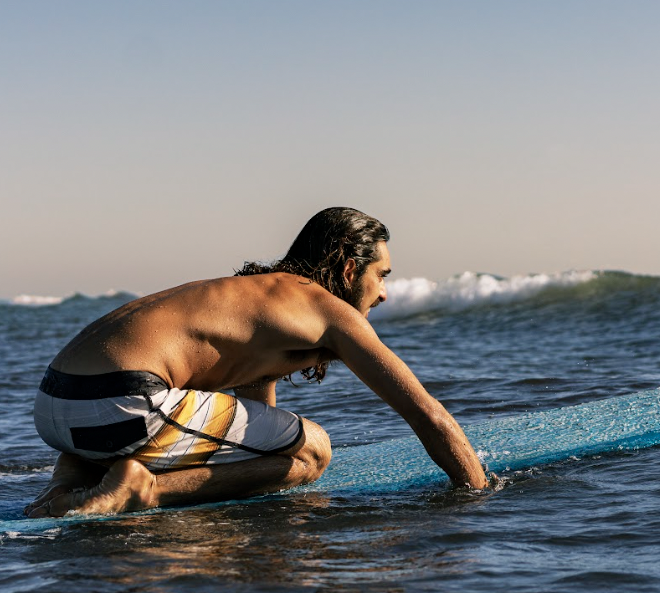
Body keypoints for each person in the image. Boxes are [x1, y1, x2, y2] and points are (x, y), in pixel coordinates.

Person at [24, 207, 487, 517]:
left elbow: (255, 410)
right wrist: (480, 495)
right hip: (122, 406)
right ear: (349, 269)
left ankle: (66, 491)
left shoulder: (259, 296)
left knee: (275, 437)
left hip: (55, 411)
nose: (384, 292)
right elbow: (426, 414)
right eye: (381, 275)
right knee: (313, 451)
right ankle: (143, 490)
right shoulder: (328, 310)